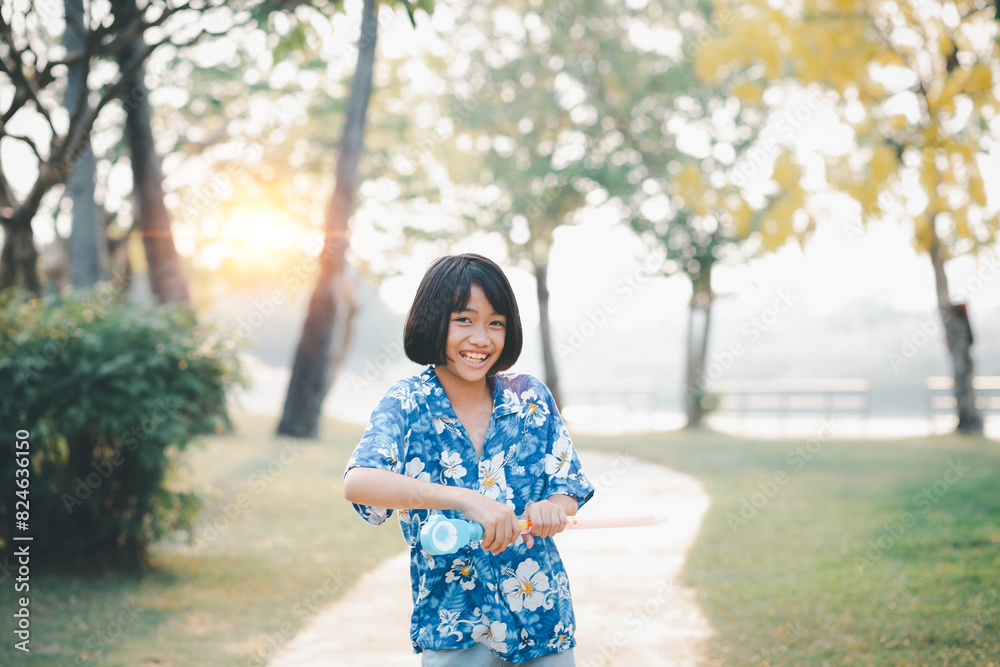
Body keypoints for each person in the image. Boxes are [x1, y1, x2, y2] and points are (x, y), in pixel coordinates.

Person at [343, 253, 595, 666]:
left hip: (543, 623)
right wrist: (463, 499)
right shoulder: (407, 403)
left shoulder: (530, 396)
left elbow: (568, 485)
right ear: (433, 321)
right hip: (454, 627)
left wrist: (554, 508)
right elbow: (359, 482)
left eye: (495, 323)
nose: (481, 338)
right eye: (464, 320)